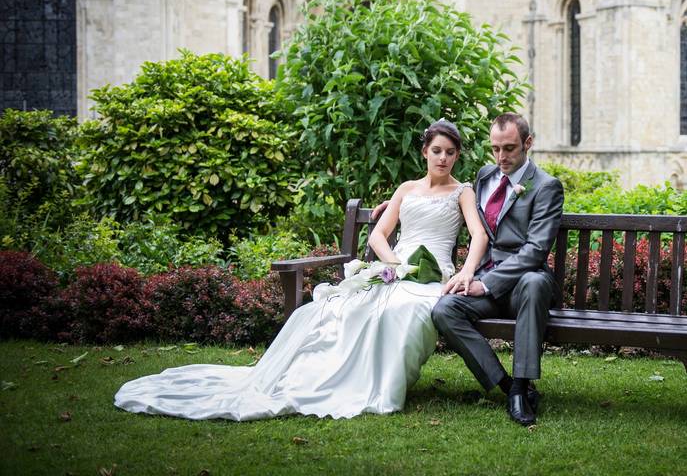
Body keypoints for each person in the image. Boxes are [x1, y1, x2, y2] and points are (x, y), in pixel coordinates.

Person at [114, 119, 489, 420]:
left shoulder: (463, 191)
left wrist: (466, 271)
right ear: (425, 152)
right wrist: (392, 264)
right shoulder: (406, 188)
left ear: (456, 156)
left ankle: (376, 383)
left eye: (450, 153)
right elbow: (379, 235)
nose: (442, 158)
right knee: (335, 308)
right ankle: (323, 377)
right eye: (436, 151)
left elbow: (477, 235)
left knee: (399, 311)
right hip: (395, 267)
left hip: (431, 274)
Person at [433, 113, 564, 426]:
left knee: (533, 283)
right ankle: (507, 386)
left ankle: (521, 386)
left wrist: (486, 283)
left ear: (528, 143)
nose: (502, 157)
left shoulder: (546, 186)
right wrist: (401, 201)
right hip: (486, 279)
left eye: (510, 148)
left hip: (523, 284)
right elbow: (453, 197)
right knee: (444, 311)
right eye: (495, 149)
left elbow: (535, 250)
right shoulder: (485, 175)